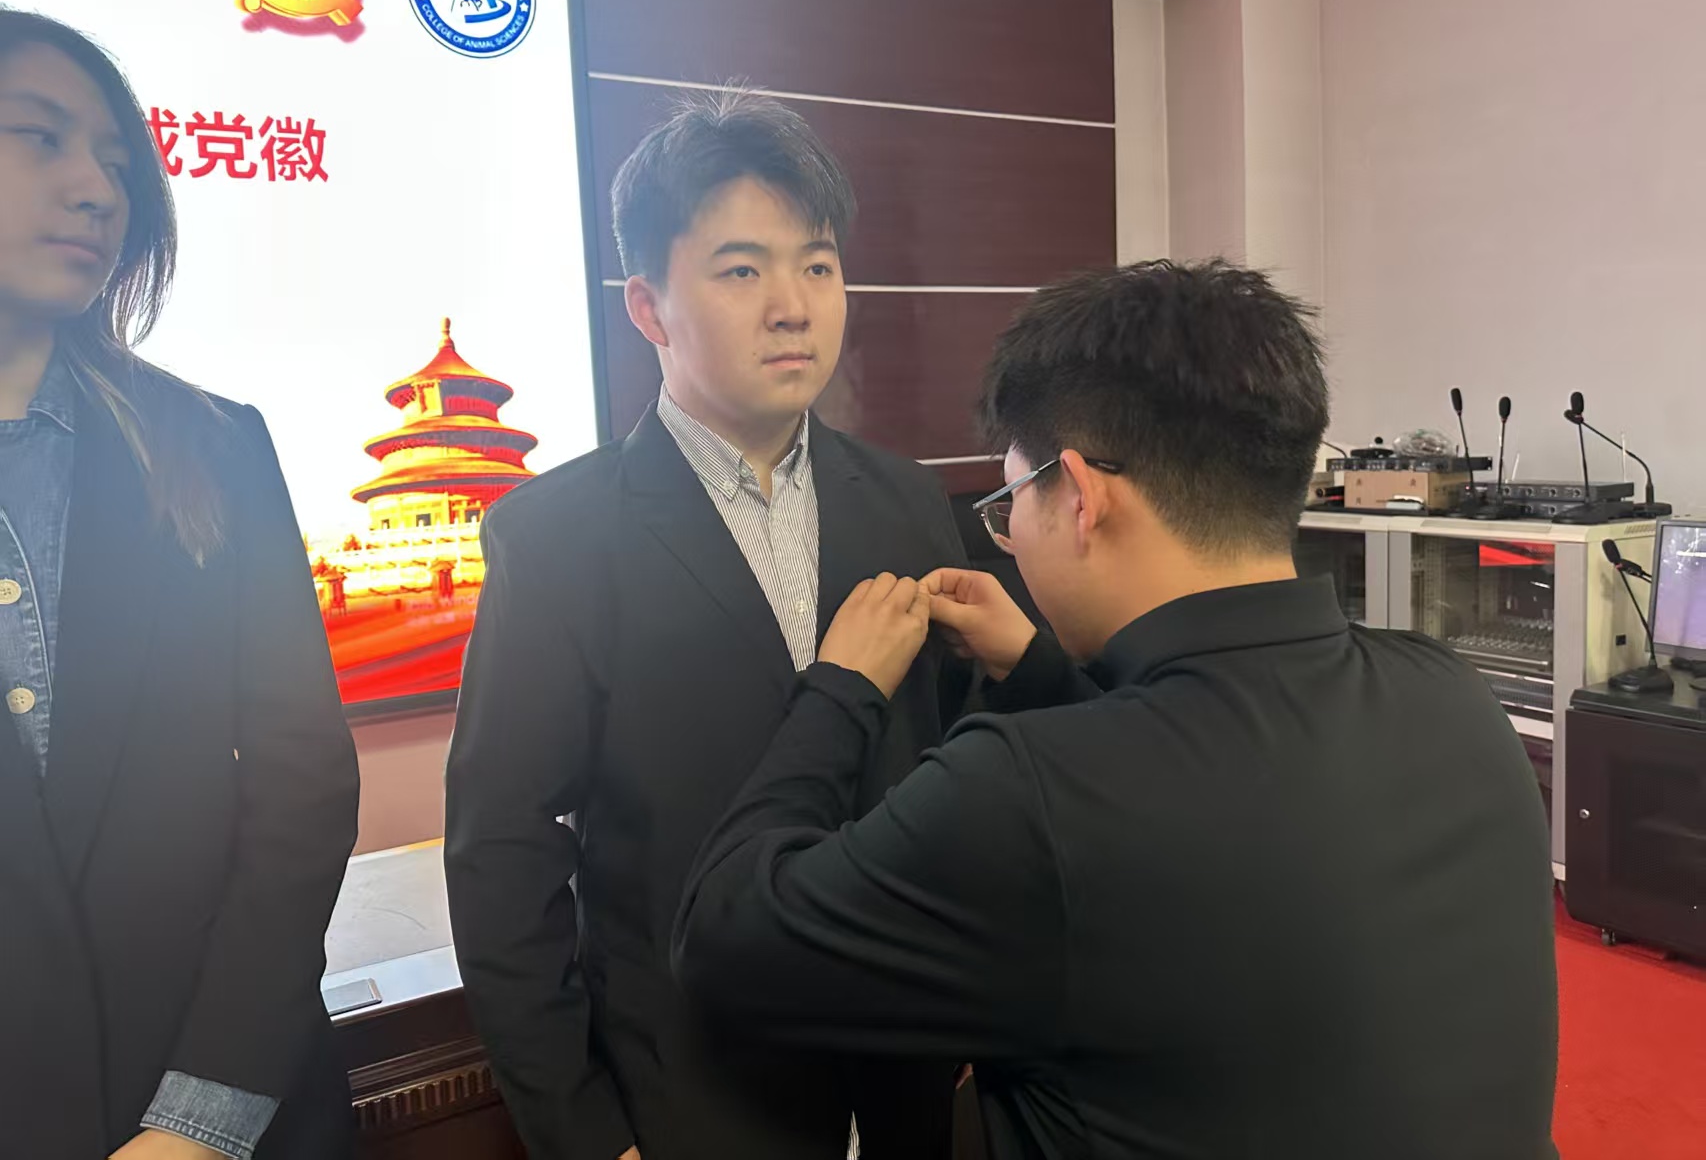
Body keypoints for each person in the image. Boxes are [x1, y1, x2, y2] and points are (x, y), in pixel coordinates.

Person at [673, 260, 1560, 1159]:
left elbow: (725, 940)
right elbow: (1202, 804)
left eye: (1010, 502)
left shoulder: (1022, 795)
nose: (1011, 536)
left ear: (1081, 496)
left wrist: (841, 687)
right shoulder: (1454, 697)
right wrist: (1038, 668)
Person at [445, 89, 969, 1160]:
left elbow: (953, 774)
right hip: (689, 1098)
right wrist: (584, 1132)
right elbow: (501, 852)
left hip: (906, 1078)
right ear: (648, 306)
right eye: (741, 271)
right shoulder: (557, 539)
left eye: (817, 265)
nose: (793, 306)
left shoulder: (909, 504)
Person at [0, 9, 360, 1160]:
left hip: (223, 1110)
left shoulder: (211, 444)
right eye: (37, 137)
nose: (95, 190)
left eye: (115, 162)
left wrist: (198, 1123)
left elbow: (302, 789)